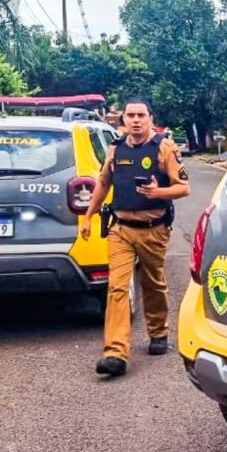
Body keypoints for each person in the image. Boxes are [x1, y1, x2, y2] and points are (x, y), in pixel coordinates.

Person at [89, 98, 189, 378]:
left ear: (149, 118)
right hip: (120, 228)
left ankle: (158, 331)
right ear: (123, 120)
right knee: (117, 288)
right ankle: (115, 353)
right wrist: (88, 216)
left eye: (140, 115)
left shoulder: (164, 147)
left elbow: (184, 188)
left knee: (153, 282)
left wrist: (159, 193)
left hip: (154, 228)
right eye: (130, 115)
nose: (135, 120)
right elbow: (103, 183)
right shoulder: (115, 149)